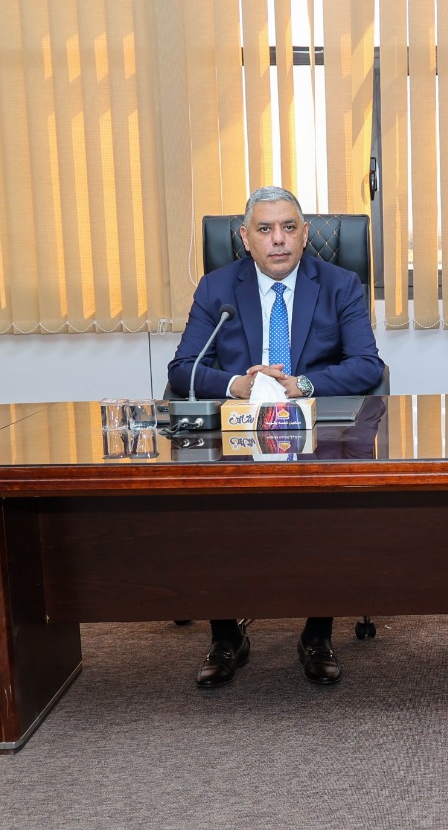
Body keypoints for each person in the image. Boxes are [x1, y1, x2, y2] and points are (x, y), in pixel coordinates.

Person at [167, 185, 385, 690]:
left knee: (323, 509)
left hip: (315, 434)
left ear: (305, 234)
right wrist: (235, 385)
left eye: (288, 228)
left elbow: (367, 365)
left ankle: (318, 633)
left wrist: (302, 384)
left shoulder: (340, 284)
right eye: (265, 230)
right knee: (210, 506)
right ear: (246, 239)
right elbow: (183, 368)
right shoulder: (217, 288)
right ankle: (226, 636)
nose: (278, 240)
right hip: (239, 435)